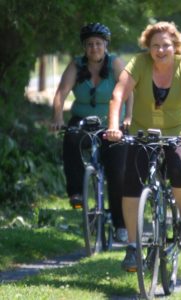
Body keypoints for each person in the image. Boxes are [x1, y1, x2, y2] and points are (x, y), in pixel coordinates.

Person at [105, 21, 181, 271]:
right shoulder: (139, 63)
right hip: (144, 133)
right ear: (147, 47)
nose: (161, 50)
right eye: (155, 46)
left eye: (166, 46)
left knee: (180, 169)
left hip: (180, 134)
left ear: (176, 46)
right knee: (131, 185)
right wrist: (113, 127)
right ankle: (131, 246)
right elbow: (118, 94)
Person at [51, 22, 133, 242]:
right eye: (89, 44)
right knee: (71, 139)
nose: (94, 48)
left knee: (118, 171)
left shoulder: (116, 63)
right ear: (84, 47)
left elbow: (128, 91)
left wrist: (128, 117)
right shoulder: (76, 66)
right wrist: (57, 118)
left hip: (112, 123)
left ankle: (120, 224)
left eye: (98, 44)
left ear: (105, 45)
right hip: (84, 120)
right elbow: (61, 92)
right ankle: (76, 192)